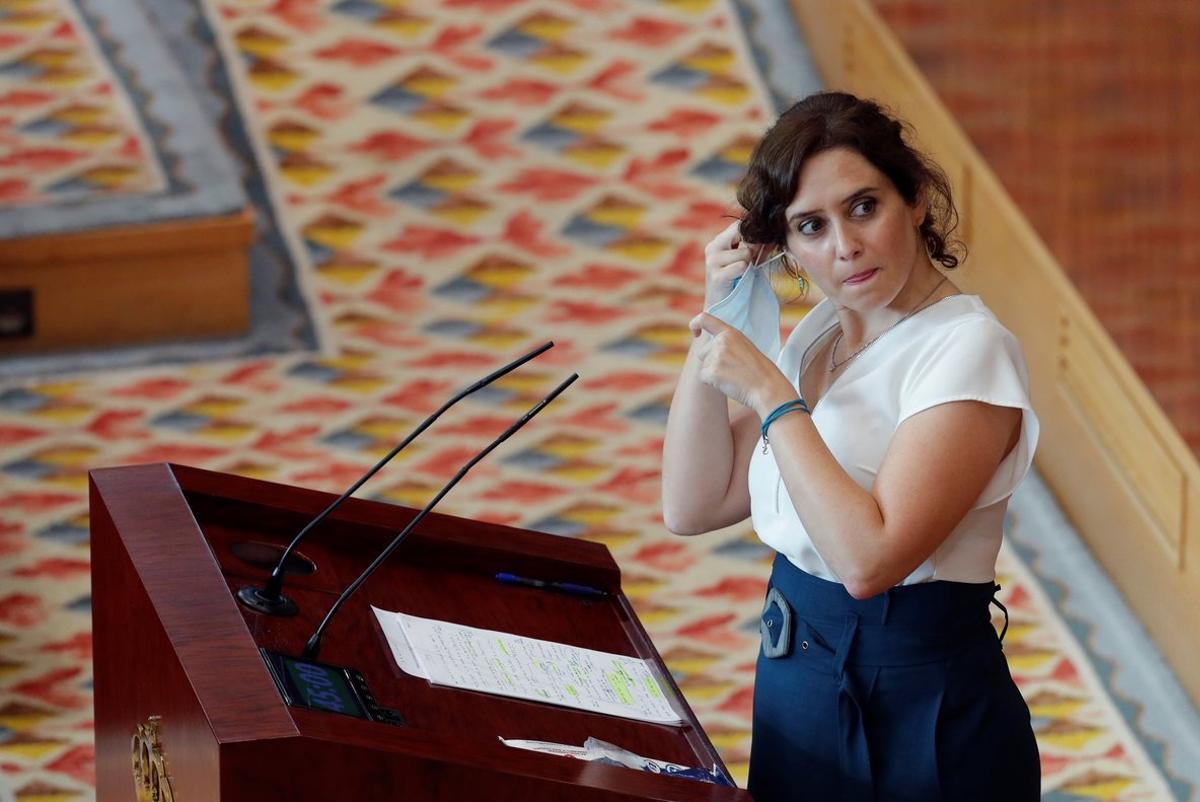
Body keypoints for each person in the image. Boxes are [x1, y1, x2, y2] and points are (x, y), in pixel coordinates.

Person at [661, 91, 1041, 801]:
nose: (844, 246)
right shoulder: (822, 337)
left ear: (917, 201)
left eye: (864, 207)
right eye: (811, 226)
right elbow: (693, 502)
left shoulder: (968, 351)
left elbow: (870, 561)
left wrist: (775, 398)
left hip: (919, 708)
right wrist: (719, 317)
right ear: (785, 246)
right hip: (796, 681)